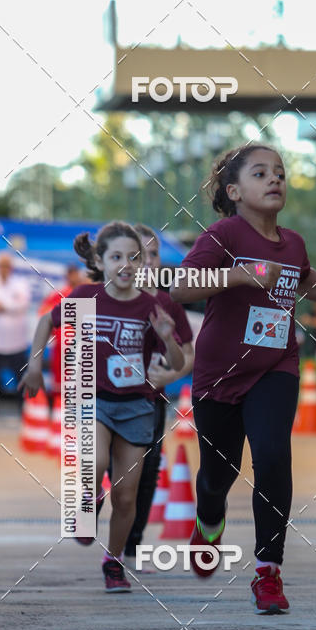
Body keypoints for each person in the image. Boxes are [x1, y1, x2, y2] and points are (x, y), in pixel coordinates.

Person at [172, 143, 316, 614]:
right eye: (260, 173)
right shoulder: (223, 234)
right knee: (219, 473)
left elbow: (302, 273)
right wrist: (243, 274)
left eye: (280, 173)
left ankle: (267, 571)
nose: (275, 180)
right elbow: (181, 286)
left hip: (276, 366)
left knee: (272, 456)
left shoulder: (292, 241)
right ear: (234, 191)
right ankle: (209, 519)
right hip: (220, 373)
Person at [18, 221, 184, 593]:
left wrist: (167, 338)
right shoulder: (86, 296)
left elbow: (174, 364)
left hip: (137, 407)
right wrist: (33, 365)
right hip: (95, 401)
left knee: (127, 497)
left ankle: (113, 561)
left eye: (133, 257)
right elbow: (47, 321)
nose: (125, 264)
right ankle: (89, 502)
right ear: (100, 261)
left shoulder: (151, 305)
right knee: (95, 462)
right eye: (116, 257)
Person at [123, 224, 195, 565]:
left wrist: (171, 372)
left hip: (151, 401)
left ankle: (131, 546)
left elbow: (189, 353)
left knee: (148, 470)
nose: (146, 261)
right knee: (114, 470)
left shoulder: (167, 303)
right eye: (138, 255)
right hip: (107, 404)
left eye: (152, 254)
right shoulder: (105, 298)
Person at [0, 253, 31, 429]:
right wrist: (8, 306)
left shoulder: (20, 283)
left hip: (16, 344)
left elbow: (22, 304)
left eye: (7, 265)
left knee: (23, 382)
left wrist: (3, 305)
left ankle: (27, 419)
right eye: (1, 265)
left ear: (11, 268)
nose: (4, 269)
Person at [38, 263, 87, 398]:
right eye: (70, 275)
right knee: (59, 382)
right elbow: (43, 312)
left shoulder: (86, 293)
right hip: (61, 346)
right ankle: (59, 412)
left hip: (83, 346)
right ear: (67, 277)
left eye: (75, 274)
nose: (73, 278)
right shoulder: (59, 294)